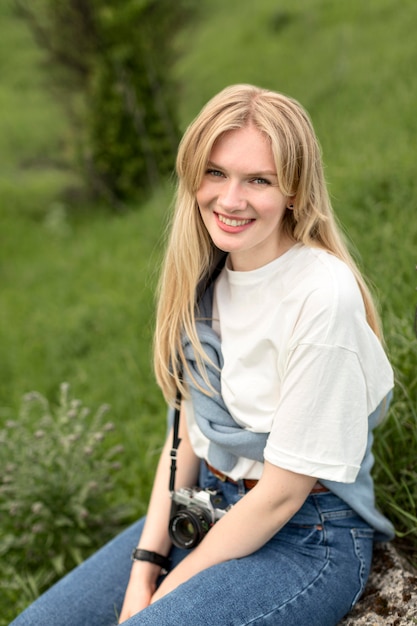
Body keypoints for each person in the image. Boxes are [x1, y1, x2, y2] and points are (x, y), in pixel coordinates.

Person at [11, 84, 394, 626]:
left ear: (294, 190)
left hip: (305, 537)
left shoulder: (320, 295)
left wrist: (161, 598)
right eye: (215, 173)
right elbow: (189, 434)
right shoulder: (208, 275)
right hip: (206, 502)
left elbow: (282, 496)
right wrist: (145, 568)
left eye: (258, 180)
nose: (230, 200)